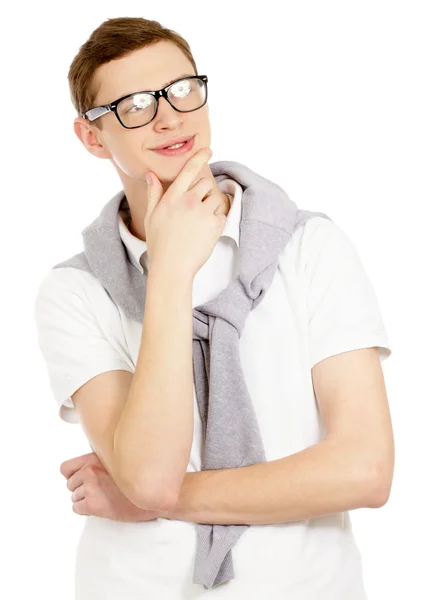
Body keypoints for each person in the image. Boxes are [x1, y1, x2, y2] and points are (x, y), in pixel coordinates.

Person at [33, 16, 395, 600]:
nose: (170, 116)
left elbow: (365, 470)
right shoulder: (75, 291)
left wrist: (159, 500)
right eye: (134, 104)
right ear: (92, 137)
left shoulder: (309, 247)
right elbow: (150, 473)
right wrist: (171, 272)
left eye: (182, 90)